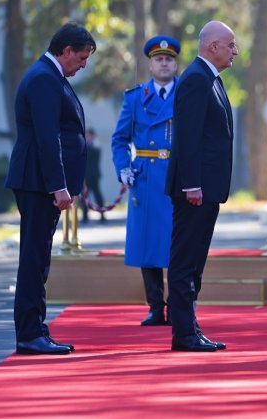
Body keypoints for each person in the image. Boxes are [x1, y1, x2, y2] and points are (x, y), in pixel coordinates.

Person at [4, 22, 96, 355]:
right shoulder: (44, 78)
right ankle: (29, 334)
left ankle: (36, 329)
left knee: (38, 258)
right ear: (66, 50)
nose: (83, 64)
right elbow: (47, 137)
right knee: (34, 258)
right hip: (38, 182)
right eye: (82, 57)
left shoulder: (50, 75)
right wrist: (58, 185)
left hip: (39, 181)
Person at [165, 20, 238, 352]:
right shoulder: (196, 79)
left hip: (206, 189)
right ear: (213, 47)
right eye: (231, 45)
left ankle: (190, 326)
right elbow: (188, 138)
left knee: (195, 261)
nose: (235, 51)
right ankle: (183, 332)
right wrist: (191, 184)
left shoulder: (210, 78)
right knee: (185, 260)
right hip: (194, 191)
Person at [112, 35, 180, 326]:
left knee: (179, 244)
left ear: (176, 63)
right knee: (149, 244)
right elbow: (119, 140)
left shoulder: (187, 95)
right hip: (146, 178)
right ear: (150, 65)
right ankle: (155, 306)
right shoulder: (135, 98)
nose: (163, 63)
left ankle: (180, 306)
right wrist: (123, 168)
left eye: (168, 59)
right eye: (158, 59)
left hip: (178, 175)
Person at [81, 128, 106, 223]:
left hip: (92, 175)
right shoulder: (91, 145)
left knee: (96, 195)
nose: (86, 137)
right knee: (85, 196)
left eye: (87, 135)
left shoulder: (94, 145)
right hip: (88, 175)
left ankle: (102, 215)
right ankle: (85, 216)